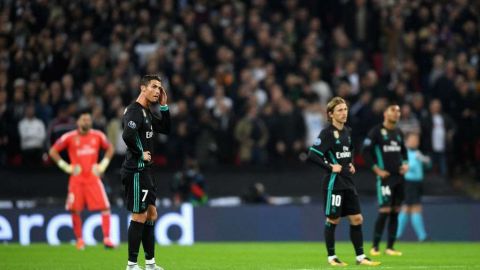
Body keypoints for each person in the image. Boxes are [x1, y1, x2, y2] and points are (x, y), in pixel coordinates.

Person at [308, 97, 380, 266]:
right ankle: (332, 257)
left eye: (345, 109)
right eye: (339, 110)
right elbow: (312, 154)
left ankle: (360, 257)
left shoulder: (347, 131)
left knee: (357, 219)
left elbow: (349, 150)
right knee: (333, 220)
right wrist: (330, 166)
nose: (344, 113)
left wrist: (351, 164)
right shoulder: (326, 133)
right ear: (330, 114)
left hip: (348, 181)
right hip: (334, 183)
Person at [121, 74, 170, 270]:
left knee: (151, 214)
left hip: (146, 172)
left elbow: (166, 128)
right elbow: (127, 134)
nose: (158, 91)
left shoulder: (147, 112)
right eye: (154, 87)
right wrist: (141, 153)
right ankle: (132, 265)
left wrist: (164, 106)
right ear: (143, 88)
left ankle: (150, 264)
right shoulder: (134, 111)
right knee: (139, 215)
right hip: (135, 171)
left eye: (160, 88)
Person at [49, 109, 115, 250]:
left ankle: (107, 239)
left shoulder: (98, 136)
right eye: (84, 119)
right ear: (78, 122)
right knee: (75, 210)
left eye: (88, 119)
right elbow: (52, 151)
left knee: (105, 207)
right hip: (77, 180)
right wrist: (66, 167)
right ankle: (79, 240)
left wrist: (102, 165)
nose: (86, 122)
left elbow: (110, 149)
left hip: (93, 178)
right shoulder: (69, 137)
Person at [362, 103, 408, 256]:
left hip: (399, 178)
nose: (396, 113)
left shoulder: (399, 132)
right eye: (393, 110)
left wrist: (406, 165)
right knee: (385, 210)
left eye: (398, 111)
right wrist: (376, 169)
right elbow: (365, 152)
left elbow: (404, 153)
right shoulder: (376, 132)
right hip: (385, 178)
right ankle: (374, 247)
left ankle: (390, 247)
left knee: (395, 211)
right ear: (385, 113)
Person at [396, 133, 430, 241]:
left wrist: (425, 160)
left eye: (416, 140)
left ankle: (396, 235)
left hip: (417, 184)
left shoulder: (417, 153)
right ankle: (422, 236)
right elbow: (405, 167)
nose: (415, 141)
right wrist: (417, 160)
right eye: (413, 139)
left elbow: (428, 165)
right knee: (414, 208)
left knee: (407, 208)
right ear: (407, 141)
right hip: (409, 183)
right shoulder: (404, 153)